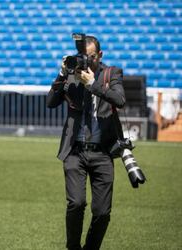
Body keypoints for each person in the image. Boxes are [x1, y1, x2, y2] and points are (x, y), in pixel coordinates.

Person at [47, 35, 126, 250]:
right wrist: (62, 73)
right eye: (83, 57)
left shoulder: (112, 73)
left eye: (90, 57)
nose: (86, 61)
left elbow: (120, 100)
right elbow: (50, 102)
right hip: (74, 150)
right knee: (76, 203)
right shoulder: (71, 74)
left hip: (103, 152)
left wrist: (93, 84)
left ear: (99, 56)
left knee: (102, 213)